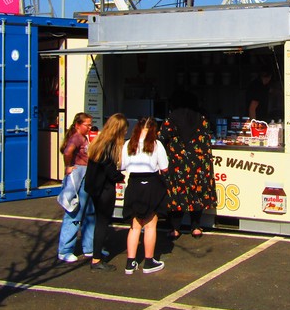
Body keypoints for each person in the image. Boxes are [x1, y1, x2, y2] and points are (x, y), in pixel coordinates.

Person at [159, 90, 217, 240]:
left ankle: (175, 229)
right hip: (197, 163)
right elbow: (207, 137)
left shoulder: (171, 118)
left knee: (176, 195)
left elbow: (162, 138)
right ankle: (196, 227)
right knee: (196, 194)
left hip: (178, 163)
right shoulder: (202, 118)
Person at [121, 117, 169, 275]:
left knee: (134, 227)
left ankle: (130, 262)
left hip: (133, 183)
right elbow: (164, 167)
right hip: (151, 184)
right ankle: (148, 261)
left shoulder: (128, 144)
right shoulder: (156, 144)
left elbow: (122, 165)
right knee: (150, 226)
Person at [84, 113, 127, 271]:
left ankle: (96, 252)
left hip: (95, 188)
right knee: (103, 223)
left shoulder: (99, 142)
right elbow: (110, 170)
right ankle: (96, 259)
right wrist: (120, 176)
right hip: (105, 189)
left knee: (98, 222)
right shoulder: (110, 145)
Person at [56, 112, 96, 263]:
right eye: (87, 125)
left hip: (86, 175)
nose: (89, 127)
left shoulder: (83, 137)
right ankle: (65, 250)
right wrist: (68, 166)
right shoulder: (76, 137)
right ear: (78, 125)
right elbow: (67, 151)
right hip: (78, 175)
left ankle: (89, 247)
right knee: (74, 213)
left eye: (90, 124)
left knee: (90, 212)